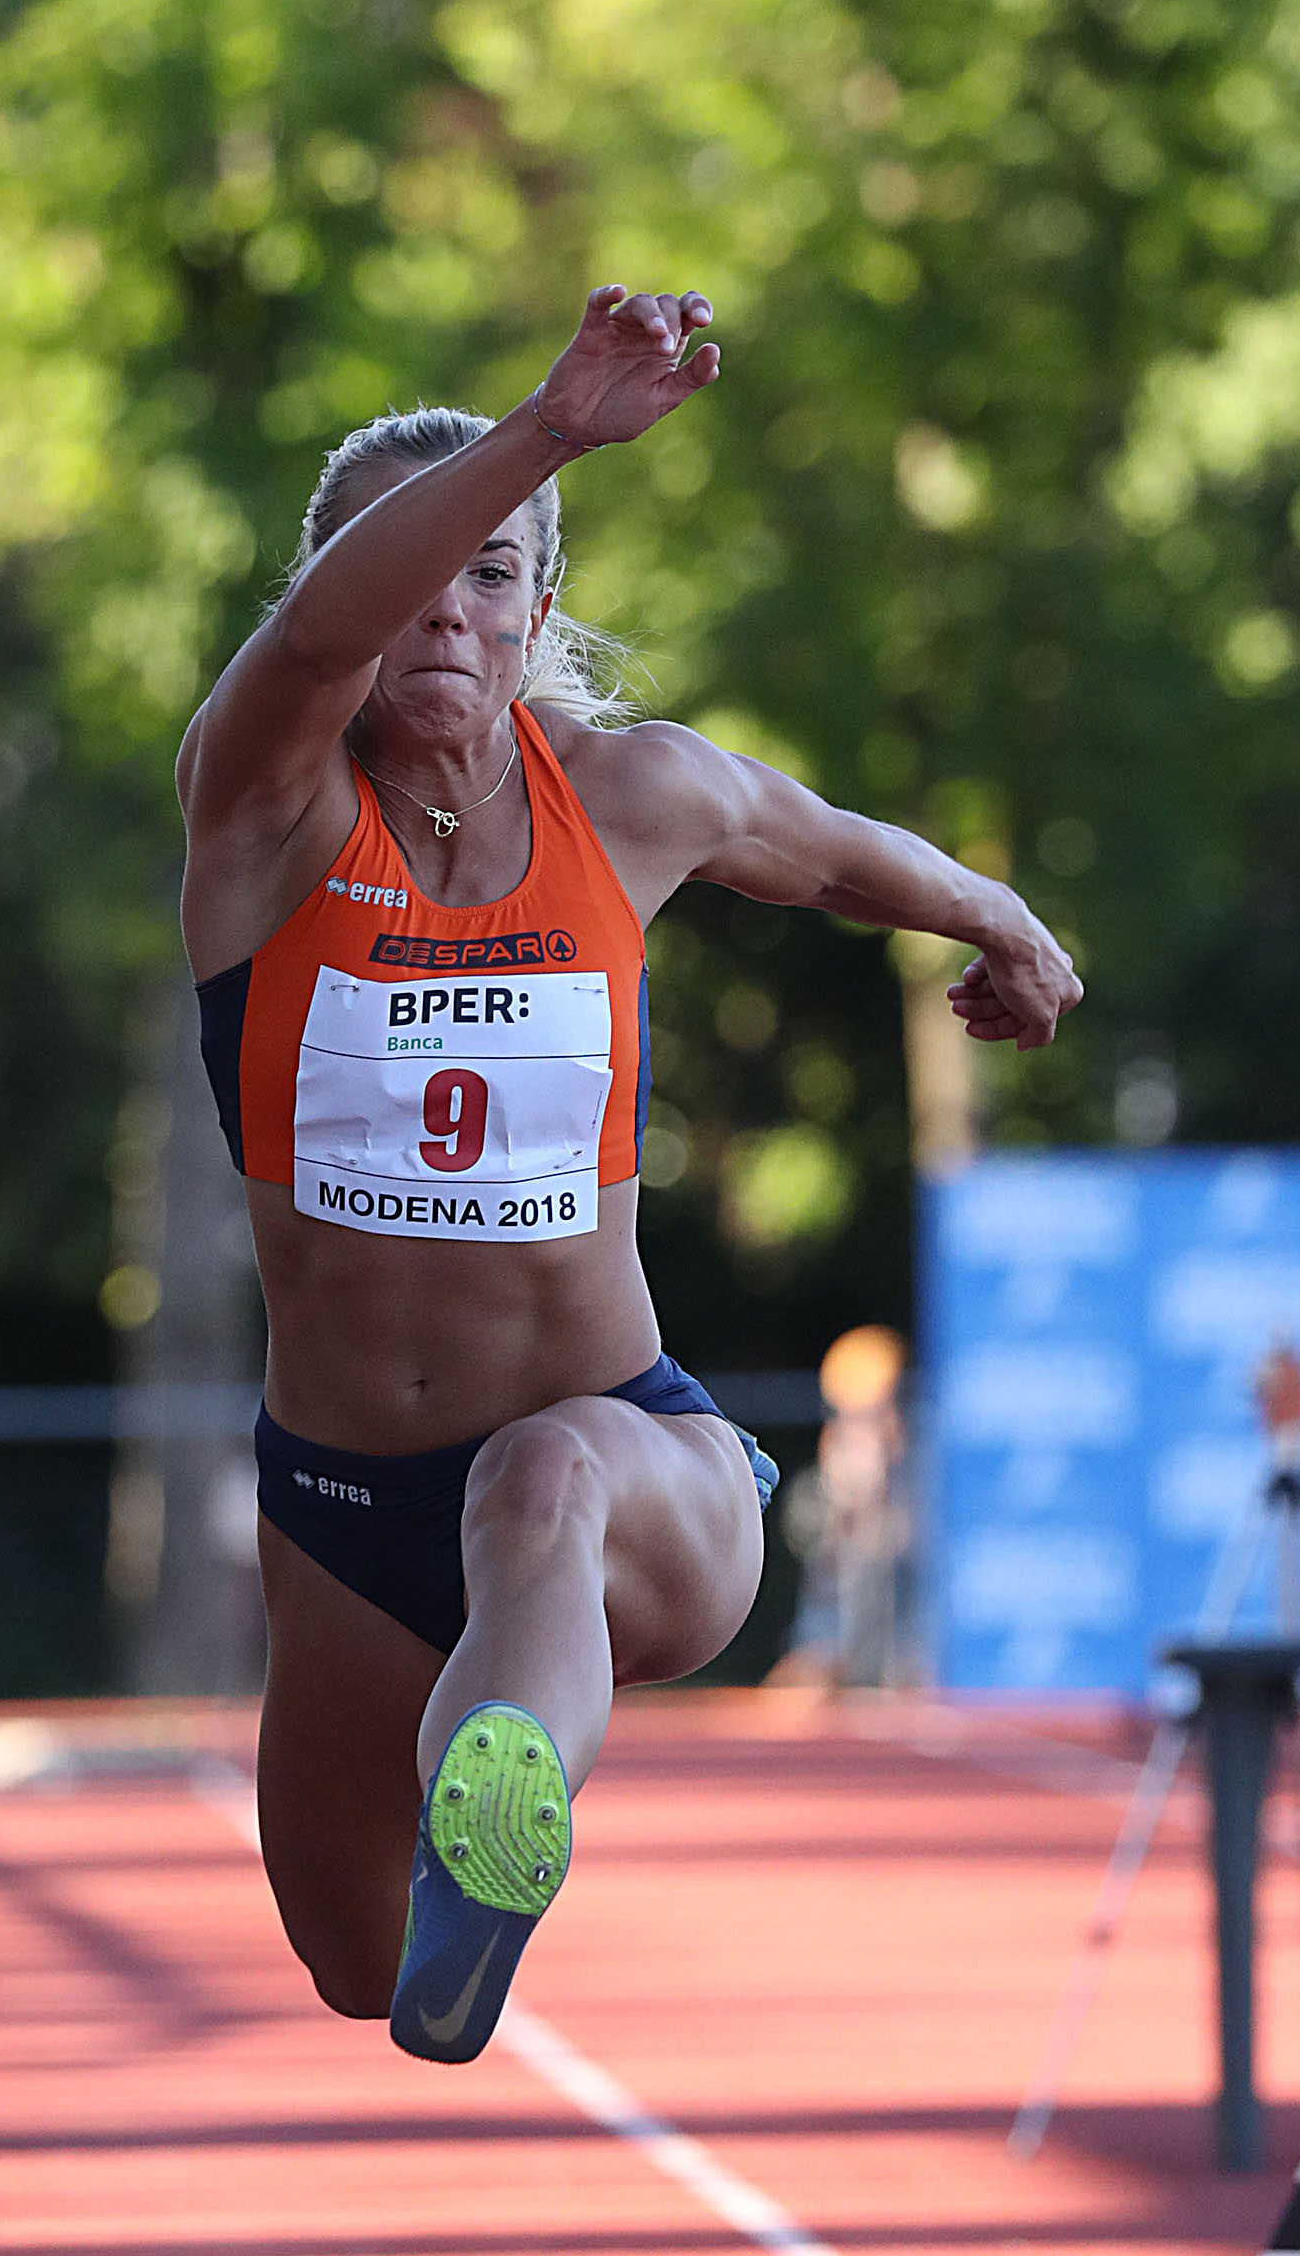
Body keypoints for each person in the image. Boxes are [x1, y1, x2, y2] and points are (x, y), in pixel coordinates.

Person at [176, 284, 1081, 2064]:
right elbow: (311, 638)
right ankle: (466, 1858)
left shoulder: (624, 796)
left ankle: (505, 1794)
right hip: (344, 1501)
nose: (444, 605)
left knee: (537, 1480)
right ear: (338, 590)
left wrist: (1000, 919)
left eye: (492, 573)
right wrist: (543, 434)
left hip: (628, 1463)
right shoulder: (265, 806)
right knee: (362, 1972)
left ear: (538, 611)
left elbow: (827, 852)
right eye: (407, 569)